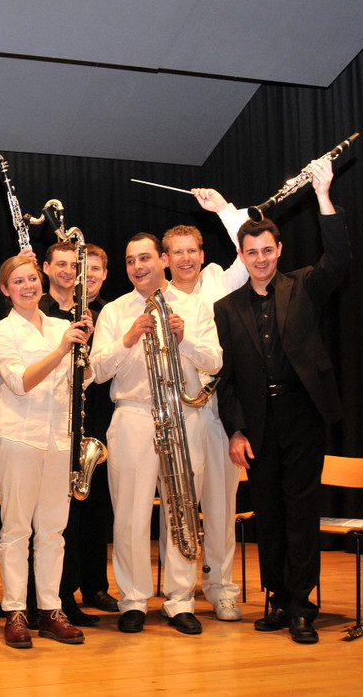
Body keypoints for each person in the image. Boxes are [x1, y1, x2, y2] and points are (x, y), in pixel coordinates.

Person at [214, 158, 350, 644]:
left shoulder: (304, 286)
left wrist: (323, 195)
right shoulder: (226, 308)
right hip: (257, 422)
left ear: (279, 250)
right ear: (241, 255)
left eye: (267, 251)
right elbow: (225, 377)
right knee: (268, 512)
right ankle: (276, 600)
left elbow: (339, 259)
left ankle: (301, 606)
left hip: (303, 415)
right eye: (252, 252)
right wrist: (235, 429)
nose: (261, 259)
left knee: (300, 511)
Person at [89, 233, 222, 635]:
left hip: (183, 414)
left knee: (183, 509)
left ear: (163, 260)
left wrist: (185, 339)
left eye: (144, 258)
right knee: (129, 512)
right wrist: (128, 338)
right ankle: (132, 599)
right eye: (130, 261)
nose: (137, 267)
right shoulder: (114, 311)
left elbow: (215, 362)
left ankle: (180, 600)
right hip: (133, 416)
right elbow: (97, 371)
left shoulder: (194, 307)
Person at [0, 254, 92, 649]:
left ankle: (50, 610)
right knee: (16, 529)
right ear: (6, 289)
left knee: (53, 531)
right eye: (18, 281)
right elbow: (19, 382)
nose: (28, 286)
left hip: (60, 439)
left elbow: (83, 380)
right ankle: (15, 611)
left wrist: (86, 352)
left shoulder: (63, 326)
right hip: (18, 438)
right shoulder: (2, 331)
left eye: (32, 279)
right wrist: (63, 350)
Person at [162, 190, 250, 622]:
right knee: (180, 508)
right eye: (177, 252)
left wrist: (224, 211)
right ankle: (179, 595)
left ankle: (221, 589)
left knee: (221, 507)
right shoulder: (156, 297)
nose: (186, 259)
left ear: (202, 253)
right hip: (178, 416)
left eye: (192, 251)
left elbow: (248, 251)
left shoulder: (219, 281)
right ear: (166, 259)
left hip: (221, 411)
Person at [37, 241, 118, 624]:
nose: (72, 272)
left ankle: (94, 585)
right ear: (47, 268)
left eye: (78, 267)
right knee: (61, 515)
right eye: (63, 265)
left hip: (95, 417)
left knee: (94, 508)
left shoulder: (102, 314)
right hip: (54, 420)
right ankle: (60, 595)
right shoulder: (38, 310)